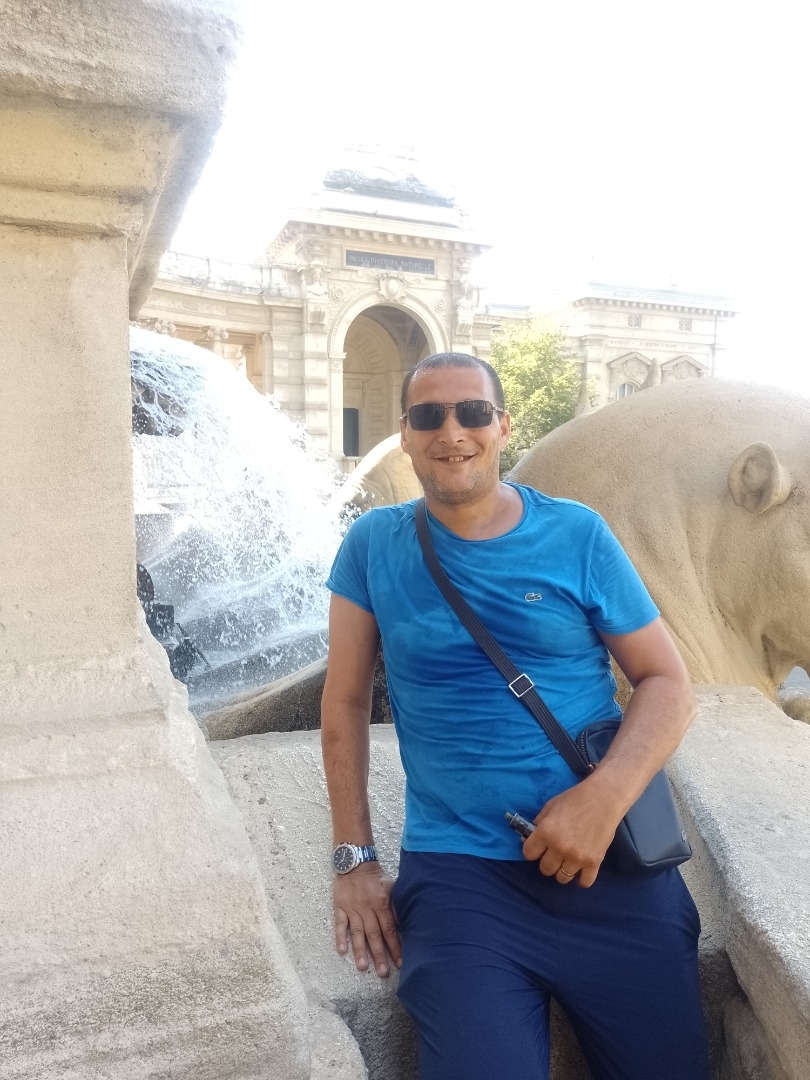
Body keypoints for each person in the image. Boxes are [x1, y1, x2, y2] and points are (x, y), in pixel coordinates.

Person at [321, 352, 709, 1080]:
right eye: (428, 416)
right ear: (405, 434)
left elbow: (667, 683)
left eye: (471, 412)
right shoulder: (373, 544)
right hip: (462, 885)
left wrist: (602, 800)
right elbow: (342, 701)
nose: (451, 432)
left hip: (610, 867)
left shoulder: (577, 535)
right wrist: (354, 859)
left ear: (501, 426)